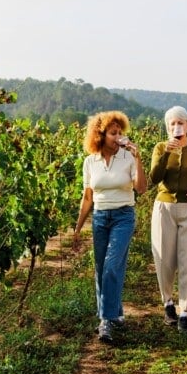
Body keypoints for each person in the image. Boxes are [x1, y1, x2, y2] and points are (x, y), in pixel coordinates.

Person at [74, 111, 147, 343]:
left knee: (111, 266)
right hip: (100, 217)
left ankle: (105, 320)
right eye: (113, 133)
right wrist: (77, 229)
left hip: (123, 216)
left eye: (120, 133)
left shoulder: (127, 158)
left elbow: (142, 189)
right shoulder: (90, 162)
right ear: (100, 135)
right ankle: (113, 313)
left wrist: (138, 158)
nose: (118, 137)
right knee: (100, 268)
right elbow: (87, 197)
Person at [149, 106, 187, 332]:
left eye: (180, 123)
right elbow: (154, 177)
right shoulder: (159, 147)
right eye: (172, 124)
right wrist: (166, 152)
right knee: (164, 258)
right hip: (164, 207)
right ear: (168, 127)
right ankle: (168, 303)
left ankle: (184, 311)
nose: (177, 128)